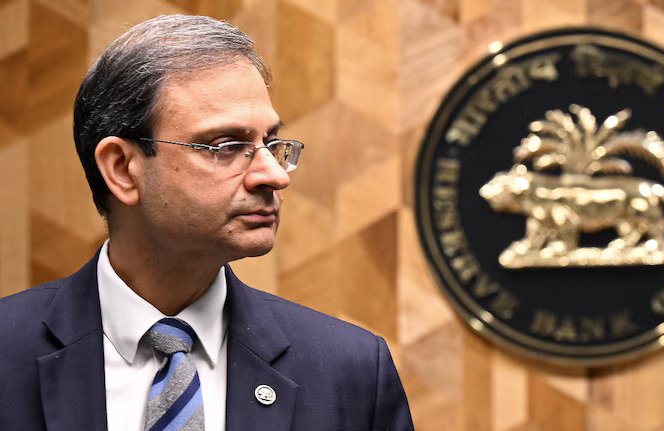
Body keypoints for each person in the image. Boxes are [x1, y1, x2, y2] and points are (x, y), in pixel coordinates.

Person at [0, 14, 413, 431]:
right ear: (122, 168)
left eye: (271, 143)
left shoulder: (351, 372)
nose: (274, 175)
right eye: (227, 146)